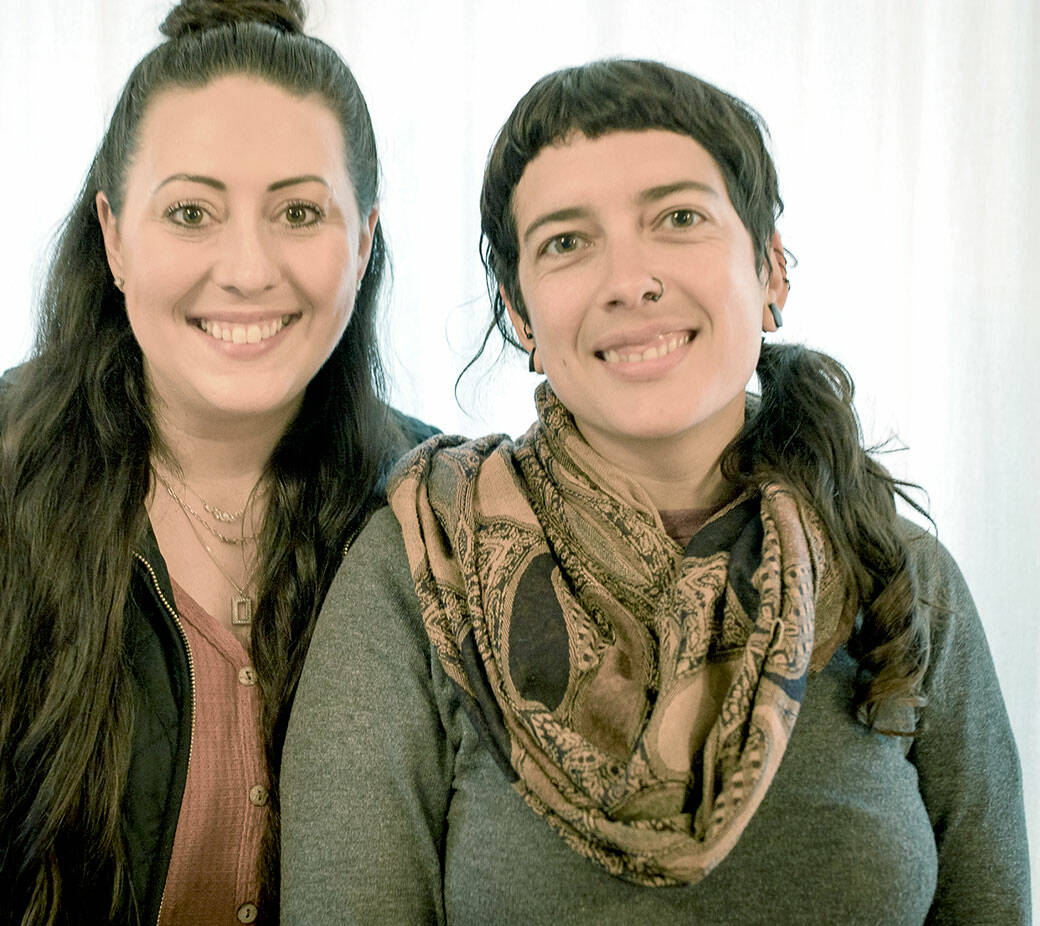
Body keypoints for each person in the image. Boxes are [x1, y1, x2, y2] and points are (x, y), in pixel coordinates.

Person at [280, 59, 1030, 923]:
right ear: (520, 313)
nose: (629, 281)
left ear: (772, 271)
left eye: (678, 219)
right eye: (567, 242)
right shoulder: (422, 569)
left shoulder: (901, 575)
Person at [0, 0, 433, 926]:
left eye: (298, 213)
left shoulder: (432, 508)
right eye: (191, 212)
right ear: (114, 237)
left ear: (363, 242)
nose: (247, 270)